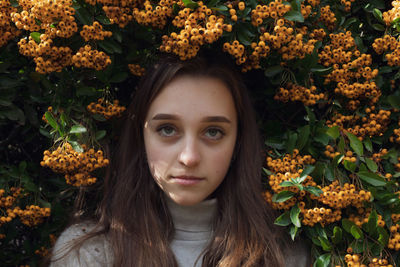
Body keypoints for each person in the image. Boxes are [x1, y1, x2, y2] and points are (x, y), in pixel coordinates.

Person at [48, 52, 311, 267]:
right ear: (141, 138)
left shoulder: (284, 256)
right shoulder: (88, 255)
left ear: (238, 144)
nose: (189, 157)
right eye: (167, 129)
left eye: (213, 132)